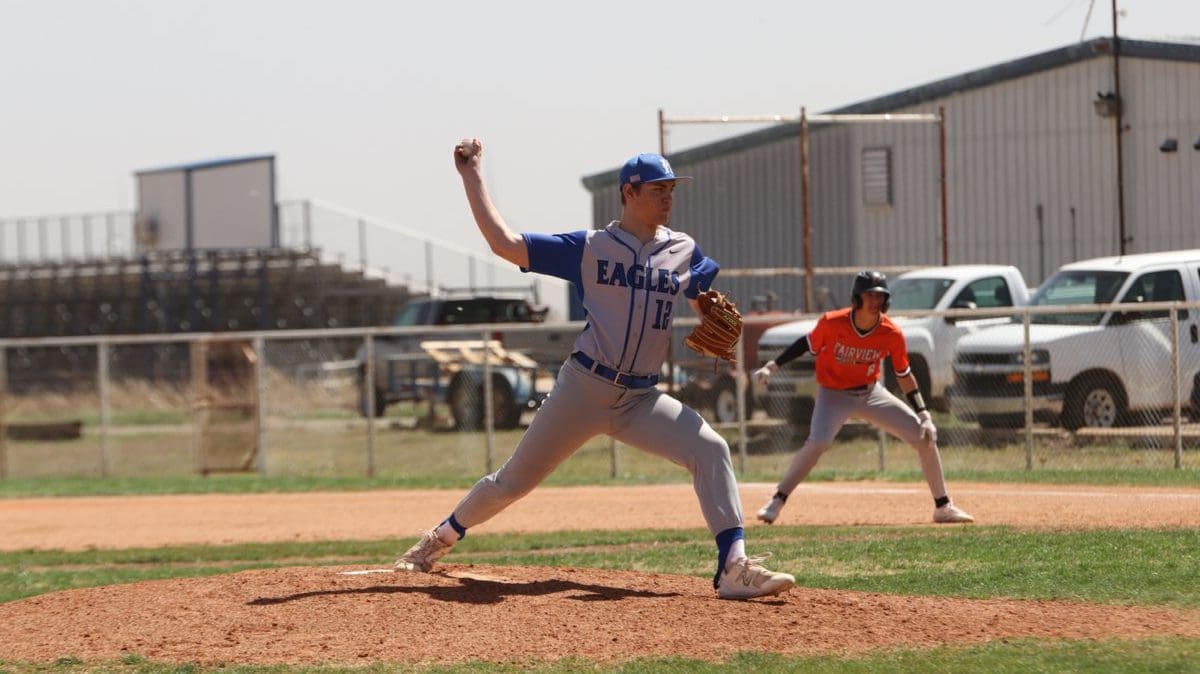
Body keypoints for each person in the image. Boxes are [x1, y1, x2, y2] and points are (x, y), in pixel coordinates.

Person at [393, 140, 796, 600]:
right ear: (629, 192)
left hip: (641, 399)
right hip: (583, 389)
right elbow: (503, 244)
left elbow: (702, 296)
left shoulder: (683, 250)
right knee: (511, 483)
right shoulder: (590, 247)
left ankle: (733, 566)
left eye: (672, 189)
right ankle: (439, 539)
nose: (668, 196)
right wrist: (472, 177)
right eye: (658, 188)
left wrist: (707, 312)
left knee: (711, 449)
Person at [753, 270, 975, 525]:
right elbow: (807, 343)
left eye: (880, 296)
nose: (875, 301)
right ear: (857, 298)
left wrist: (924, 414)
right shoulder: (832, 322)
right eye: (869, 296)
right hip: (833, 394)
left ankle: (943, 507)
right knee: (818, 443)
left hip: (871, 393)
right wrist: (773, 366)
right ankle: (777, 500)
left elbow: (904, 375)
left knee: (925, 436)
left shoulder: (891, 332)